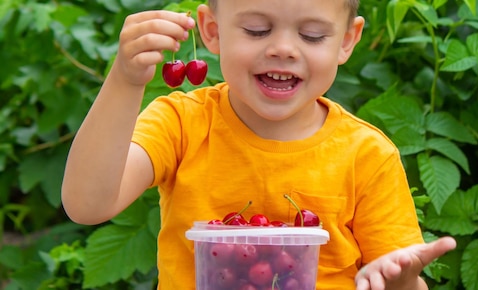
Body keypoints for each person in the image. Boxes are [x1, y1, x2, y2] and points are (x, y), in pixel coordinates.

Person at [61, 0, 456, 289]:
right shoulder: (182, 123)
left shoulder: (367, 155)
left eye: (312, 35)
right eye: (256, 30)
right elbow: (87, 203)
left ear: (346, 41)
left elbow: (399, 273)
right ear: (211, 30)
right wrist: (126, 81)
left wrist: (400, 282)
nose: (283, 48)